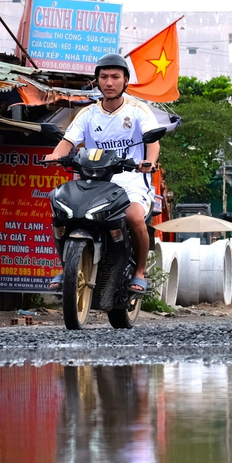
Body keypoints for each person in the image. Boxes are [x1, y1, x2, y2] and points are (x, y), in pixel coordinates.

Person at [45, 54, 161, 294]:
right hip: (92, 180)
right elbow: (68, 141)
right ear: (97, 81)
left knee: (135, 217)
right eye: (104, 77)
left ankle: (139, 272)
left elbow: (154, 141)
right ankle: (66, 266)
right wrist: (54, 157)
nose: (109, 82)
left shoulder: (138, 110)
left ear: (125, 80)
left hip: (130, 180)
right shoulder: (88, 114)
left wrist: (148, 162)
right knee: (61, 213)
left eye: (115, 77)